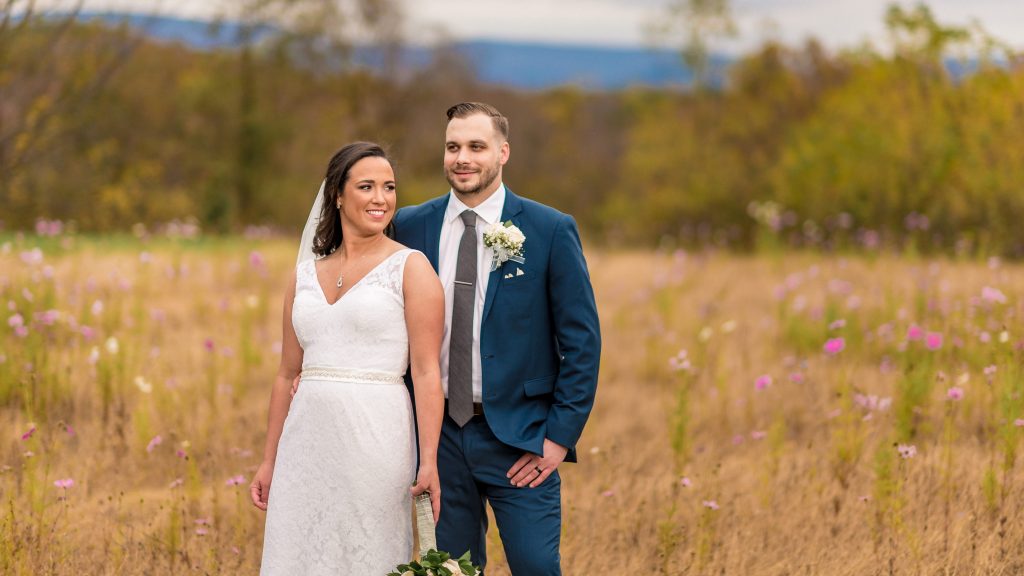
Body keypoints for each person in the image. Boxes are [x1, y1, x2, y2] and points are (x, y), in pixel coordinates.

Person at [393, 102, 601, 574]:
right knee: (449, 570)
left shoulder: (549, 229)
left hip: (521, 438)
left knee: (536, 567)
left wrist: (557, 439)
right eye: (452, 147)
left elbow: (583, 343)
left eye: (476, 147)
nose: (462, 158)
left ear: (503, 153)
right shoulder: (409, 226)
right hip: (437, 436)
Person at [249, 142, 445, 574]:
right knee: (297, 554)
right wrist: (270, 459)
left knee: (366, 552)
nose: (381, 198)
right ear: (337, 194)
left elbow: (428, 372)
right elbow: (286, 374)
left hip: (376, 438)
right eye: (367, 186)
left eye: (389, 187)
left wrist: (428, 460)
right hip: (305, 443)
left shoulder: (412, 268)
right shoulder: (303, 275)